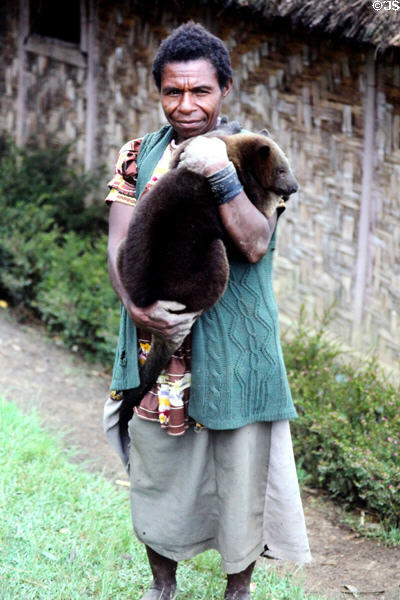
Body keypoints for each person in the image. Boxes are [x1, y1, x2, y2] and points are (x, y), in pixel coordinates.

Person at [104, 22, 311, 600]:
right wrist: (138, 310)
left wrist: (218, 172)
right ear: (158, 92)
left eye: (200, 91)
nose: (186, 104)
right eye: (173, 91)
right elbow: (119, 242)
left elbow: (253, 245)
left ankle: (237, 588)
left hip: (236, 345)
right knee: (158, 463)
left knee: (240, 471)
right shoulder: (137, 155)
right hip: (161, 343)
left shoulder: (255, 155)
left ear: (224, 89)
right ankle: (161, 585)